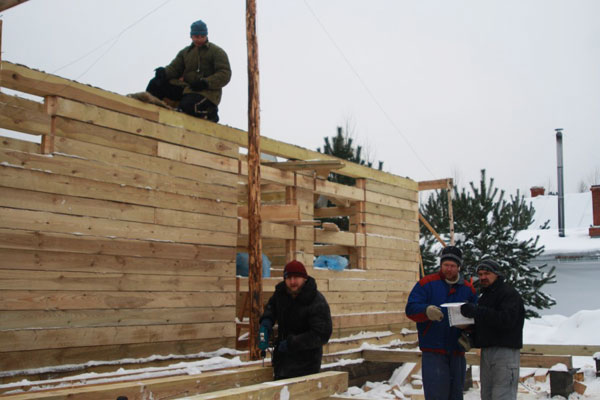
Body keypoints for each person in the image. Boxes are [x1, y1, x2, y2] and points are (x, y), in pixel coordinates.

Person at [405, 246, 477, 400]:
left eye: (452, 266)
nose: (448, 269)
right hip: (433, 350)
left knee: (455, 394)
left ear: (459, 267)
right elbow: (411, 308)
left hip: (457, 351)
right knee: (436, 394)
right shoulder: (427, 284)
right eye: (445, 265)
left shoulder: (468, 289)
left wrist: (469, 332)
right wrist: (426, 311)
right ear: (441, 265)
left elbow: (477, 316)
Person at [460, 259, 525, 400]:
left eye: (487, 273)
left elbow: (506, 320)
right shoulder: (484, 296)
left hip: (505, 352)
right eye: (480, 274)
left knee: (503, 395)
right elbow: (485, 322)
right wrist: (470, 334)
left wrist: (477, 311)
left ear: (497, 274)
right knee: (487, 395)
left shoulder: (509, 294)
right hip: (487, 352)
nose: (483, 277)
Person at [259, 260, 332, 380]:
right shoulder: (281, 294)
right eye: (288, 278)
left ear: (304, 278)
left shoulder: (316, 301)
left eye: (296, 277)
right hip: (281, 363)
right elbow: (271, 308)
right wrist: (266, 322)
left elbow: (321, 334)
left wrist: (292, 343)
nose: (292, 282)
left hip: (306, 366)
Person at [146, 19, 231, 122]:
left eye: (202, 36)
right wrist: (164, 72)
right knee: (155, 84)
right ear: (191, 36)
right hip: (187, 88)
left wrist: (206, 82)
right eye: (196, 37)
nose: (199, 39)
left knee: (189, 106)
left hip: (206, 92)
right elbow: (175, 68)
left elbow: (225, 73)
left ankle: (210, 112)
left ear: (206, 35)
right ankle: (148, 114)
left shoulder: (216, 52)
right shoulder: (185, 52)